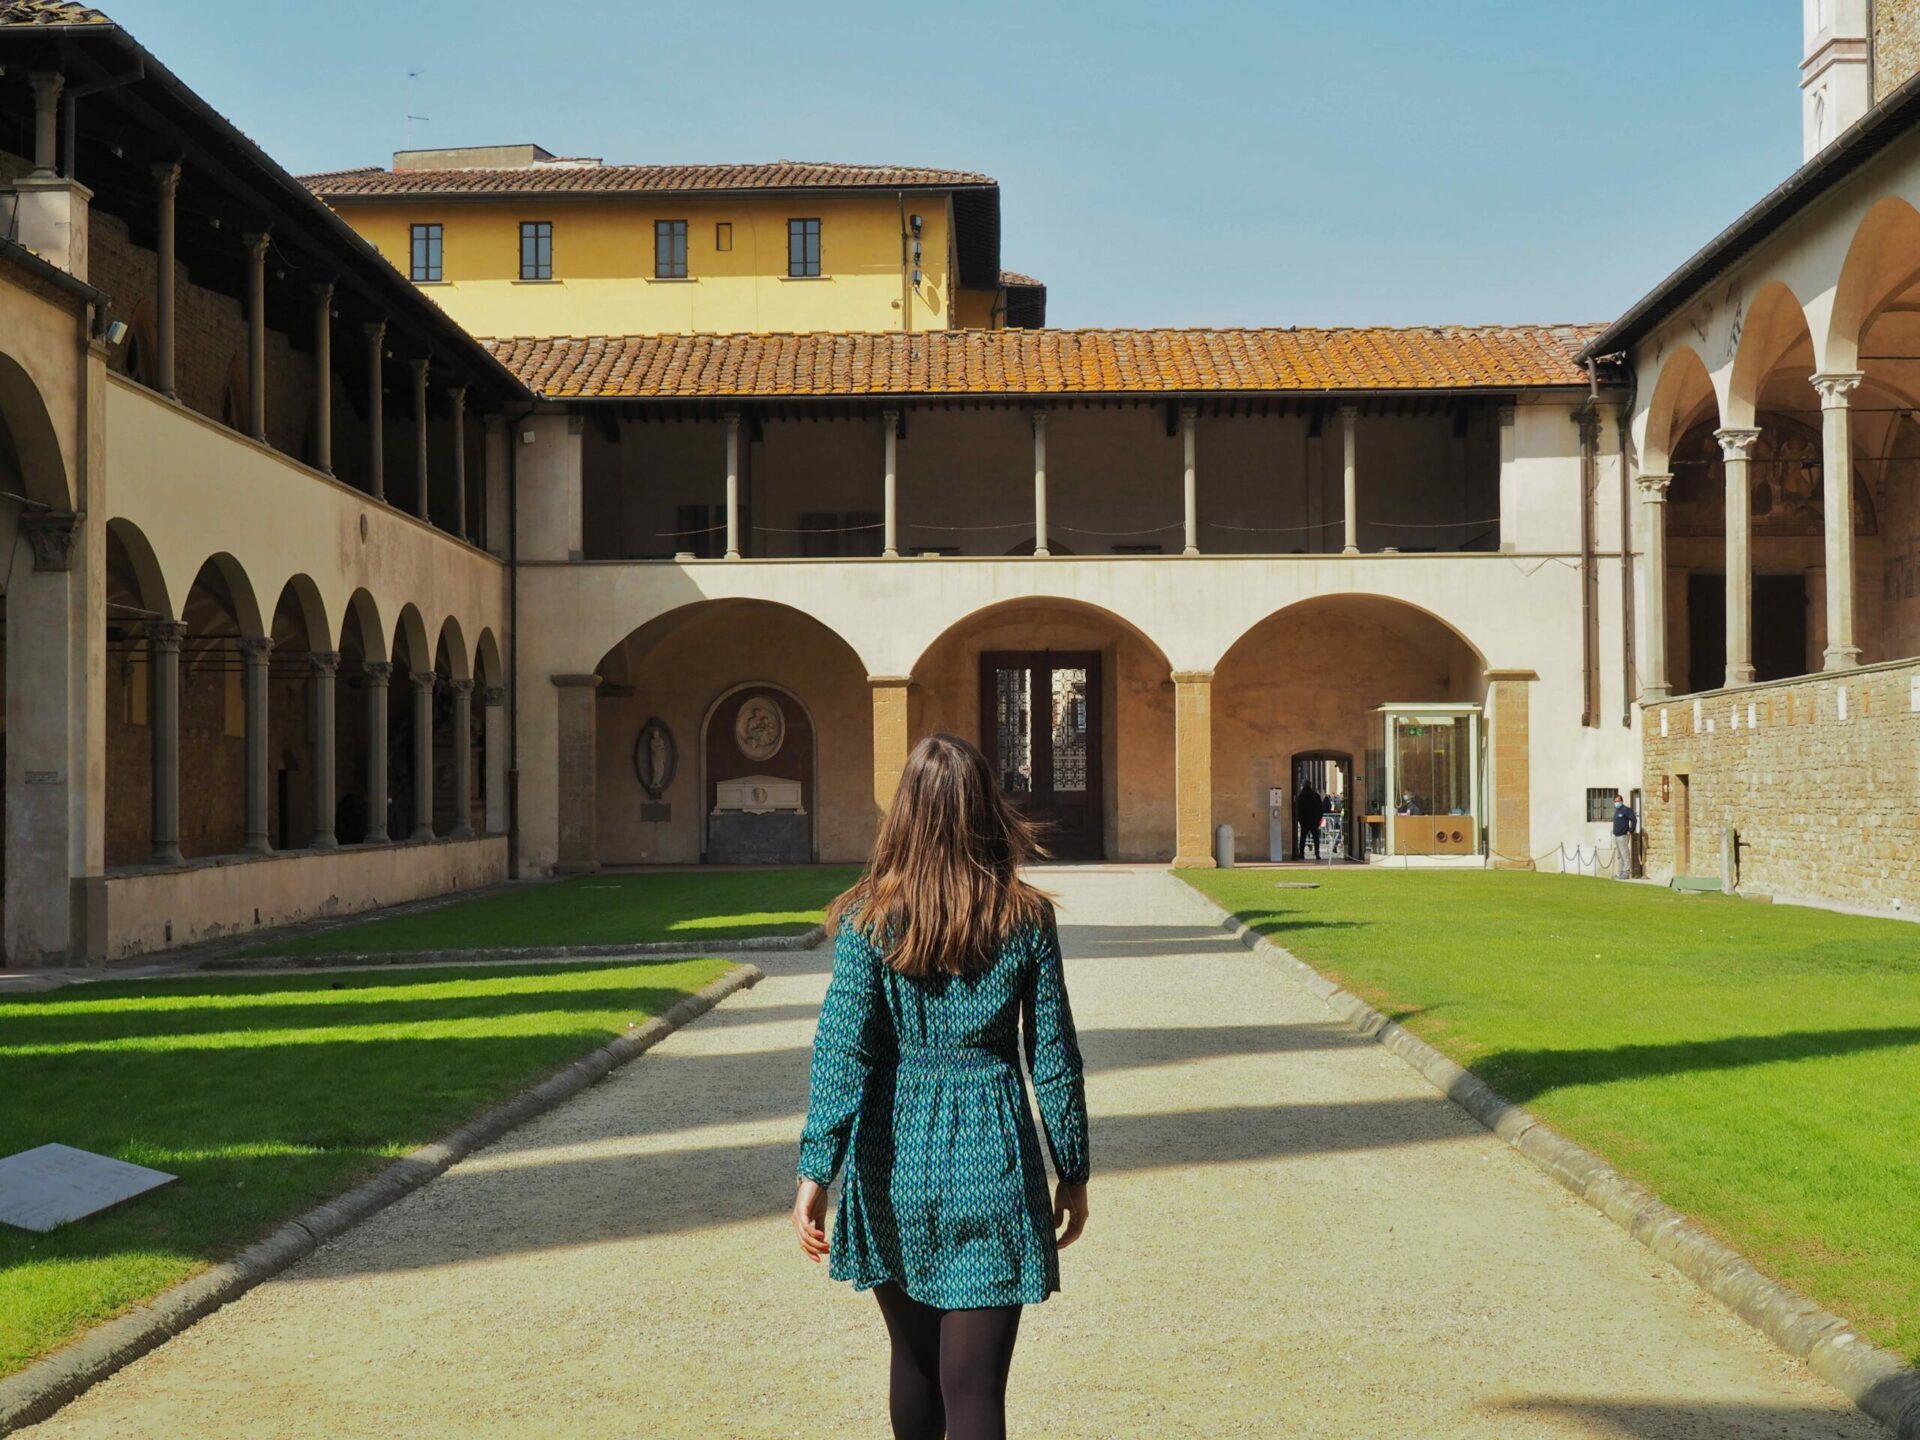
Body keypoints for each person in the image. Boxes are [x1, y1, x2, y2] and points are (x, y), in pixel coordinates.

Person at [794, 732, 1090, 1440]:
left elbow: (843, 1047)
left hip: (891, 1152)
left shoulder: (870, 918)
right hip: (991, 1147)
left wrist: (816, 1169)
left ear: (904, 815)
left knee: (915, 1362)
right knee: (975, 1385)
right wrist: (1073, 1168)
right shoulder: (1022, 916)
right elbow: (1052, 1054)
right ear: (984, 808)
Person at [1294, 780, 1325, 861]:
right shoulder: (1316, 796)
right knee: (1315, 838)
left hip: (1304, 820)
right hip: (1314, 820)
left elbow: (1298, 809)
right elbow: (1320, 809)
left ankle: (1301, 854)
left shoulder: (1301, 796)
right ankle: (1317, 853)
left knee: (1303, 838)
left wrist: (1299, 820)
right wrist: (1318, 819)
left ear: (1303, 786)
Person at [1612, 791, 1638, 879]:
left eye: (1618, 801)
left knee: (1625, 854)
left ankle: (1626, 872)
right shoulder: (1617, 810)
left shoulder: (1626, 810)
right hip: (1616, 836)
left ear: (1622, 801)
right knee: (1619, 856)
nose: (1616, 803)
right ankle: (1620, 872)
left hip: (1623, 836)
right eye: (1615, 801)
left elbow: (1634, 820)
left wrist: (1630, 830)